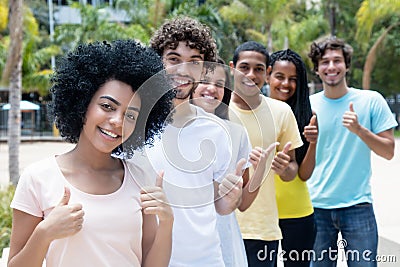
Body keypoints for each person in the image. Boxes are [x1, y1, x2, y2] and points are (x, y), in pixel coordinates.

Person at [8, 40, 175, 267]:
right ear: (83, 103)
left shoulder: (140, 178)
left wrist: (167, 222)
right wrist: (44, 233)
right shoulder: (38, 177)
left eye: (131, 115)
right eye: (107, 106)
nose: (117, 121)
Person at [146, 16, 244, 266]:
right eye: (173, 59)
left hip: (206, 260)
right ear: (158, 61)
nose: (183, 70)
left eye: (194, 62)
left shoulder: (216, 132)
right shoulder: (133, 126)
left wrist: (231, 199)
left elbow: (220, 206)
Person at [307, 36, 397, 266]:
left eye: (337, 60)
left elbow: (388, 151)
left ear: (346, 65)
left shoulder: (371, 101)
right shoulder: (308, 106)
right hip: (316, 208)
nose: (331, 67)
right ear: (316, 69)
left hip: (358, 207)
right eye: (324, 62)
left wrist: (359, 130)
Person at [191, 57, 277, 267]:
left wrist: (260, 169)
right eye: (204, 81)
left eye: (220, 84)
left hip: (223, 240)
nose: (212, 89)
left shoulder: (236, 134)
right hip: (184, 239)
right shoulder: (172, 130)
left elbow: (243, 204)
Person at [228, 41, 303, 267]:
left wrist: (284, 168)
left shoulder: (281, 111)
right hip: (221, 224)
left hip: (262, 230)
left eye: (259, 69)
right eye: (244, 67)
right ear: (232, 68)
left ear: (267, 72)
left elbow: (292, 170)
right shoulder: (215, 110)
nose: (251, 74)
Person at [268, 49, 318, 267]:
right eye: (280, 76)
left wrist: (313, 142)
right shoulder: (252, 112)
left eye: (293, 79)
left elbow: (304, 174)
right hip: (260, 214)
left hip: (297, 213)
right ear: (268, 74)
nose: (285, 84)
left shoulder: (308, 116)